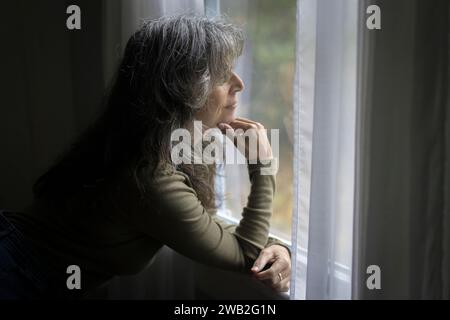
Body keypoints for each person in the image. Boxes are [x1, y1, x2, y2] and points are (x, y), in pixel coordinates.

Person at [0, 14, 291, 299]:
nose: (238, 83)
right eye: (221, 74)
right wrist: (263, 167)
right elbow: (243, 254)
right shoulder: (148, 174)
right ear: (181, 88)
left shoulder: (158, 144)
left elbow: (203, 222)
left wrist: (277, 244)